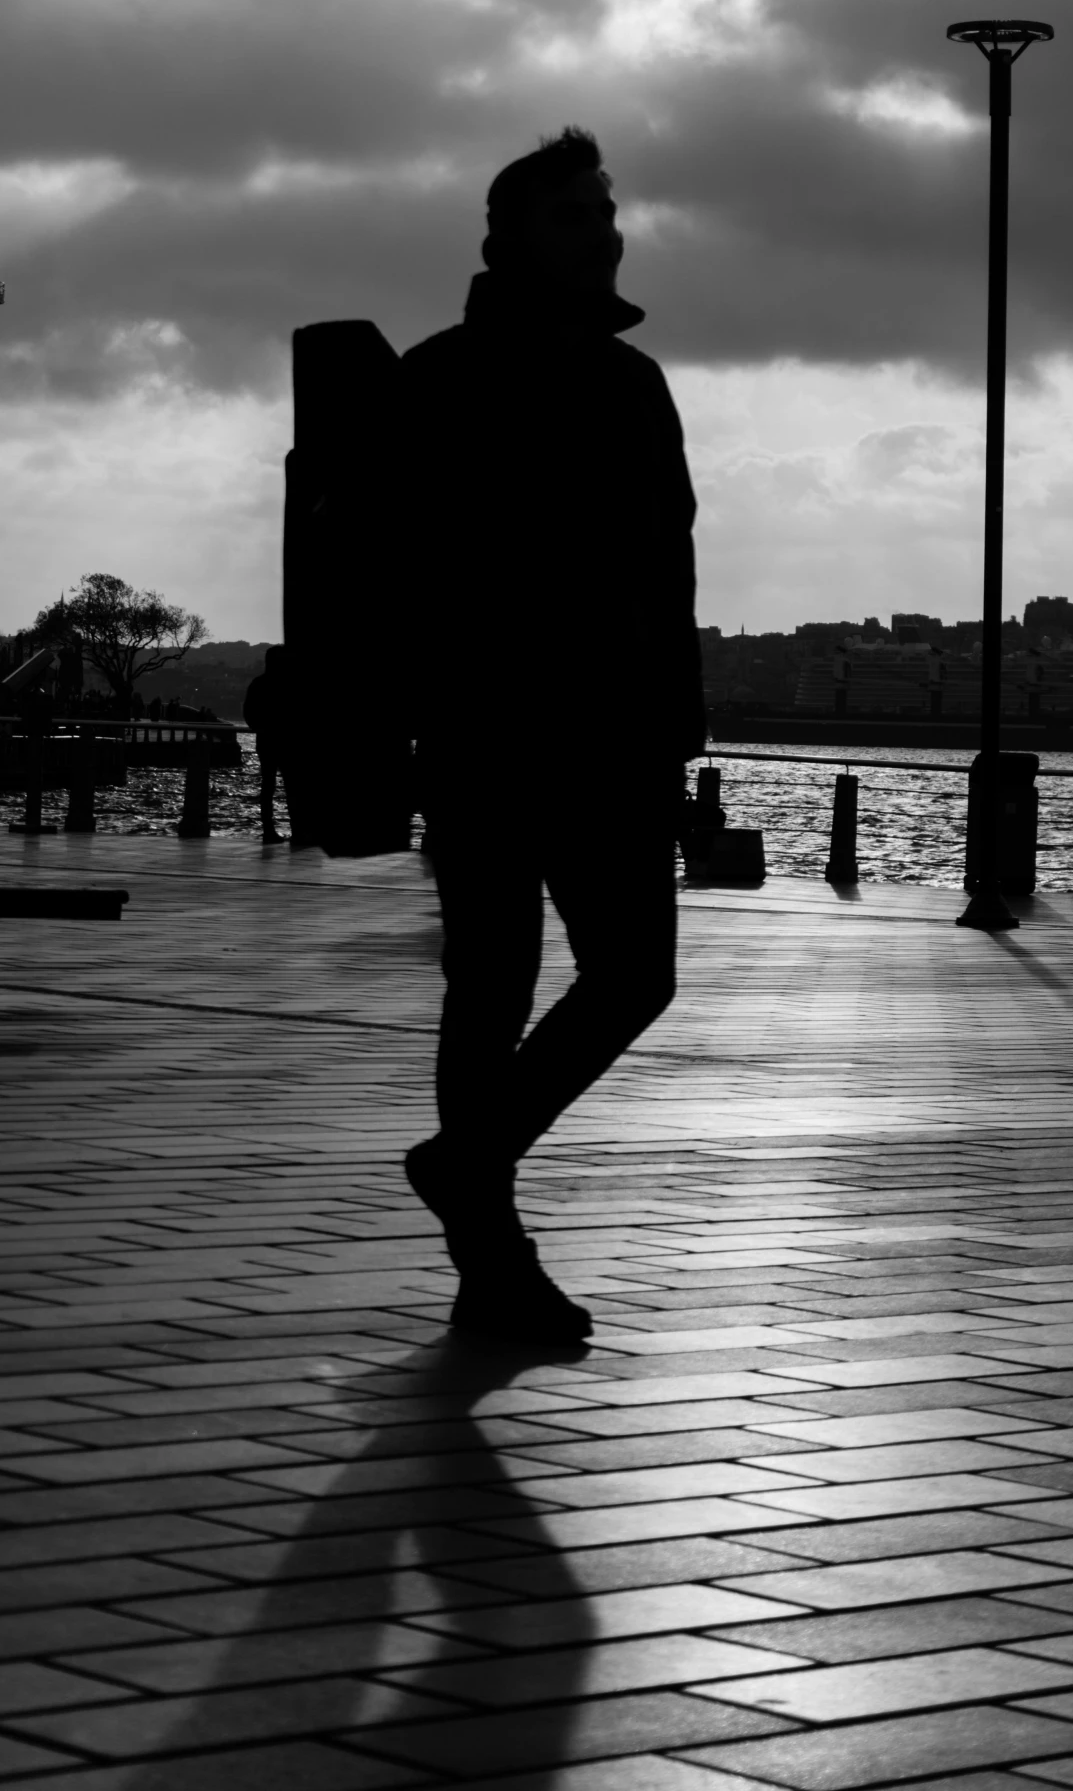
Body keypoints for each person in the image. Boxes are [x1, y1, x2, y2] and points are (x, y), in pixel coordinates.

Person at [399, 127, 705, 1343]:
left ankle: (467, 1161)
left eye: (606, 208)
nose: (604, 229)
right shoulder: (438, 378)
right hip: (484, 730)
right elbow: (398, 570)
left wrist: (678, 725)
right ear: (508, 236)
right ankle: (491, 1260)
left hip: (615, 733)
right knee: (492, 984)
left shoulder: (636, 384)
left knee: (636, 975)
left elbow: (670, 563)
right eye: (575, 212)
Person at [242, 645, 294, 843]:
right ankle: (298, 830)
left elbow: (248, 713)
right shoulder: (289, 684)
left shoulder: (258, 684)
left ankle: (268, 829)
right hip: (287, 743)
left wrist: (261, 728)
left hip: (266, 742)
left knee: (267, 787)